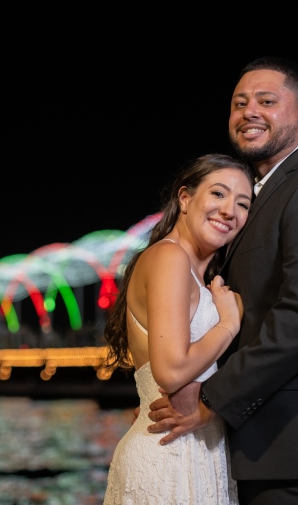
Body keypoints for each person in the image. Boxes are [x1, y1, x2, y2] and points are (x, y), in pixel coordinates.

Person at [146, 56, 298, 504]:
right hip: (262, 445)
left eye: (267, 101)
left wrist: (211, 399)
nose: (249, 111)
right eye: (239, 103)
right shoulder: (255, 199)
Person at [103, 153, 254, 504]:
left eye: (243, 203)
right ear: (185, 198)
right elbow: (170, 372)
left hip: (199, 455)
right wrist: (229, 323)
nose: (230, 210)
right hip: (169, 458)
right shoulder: (169, 257)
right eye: (218, 194)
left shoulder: (198, 277)